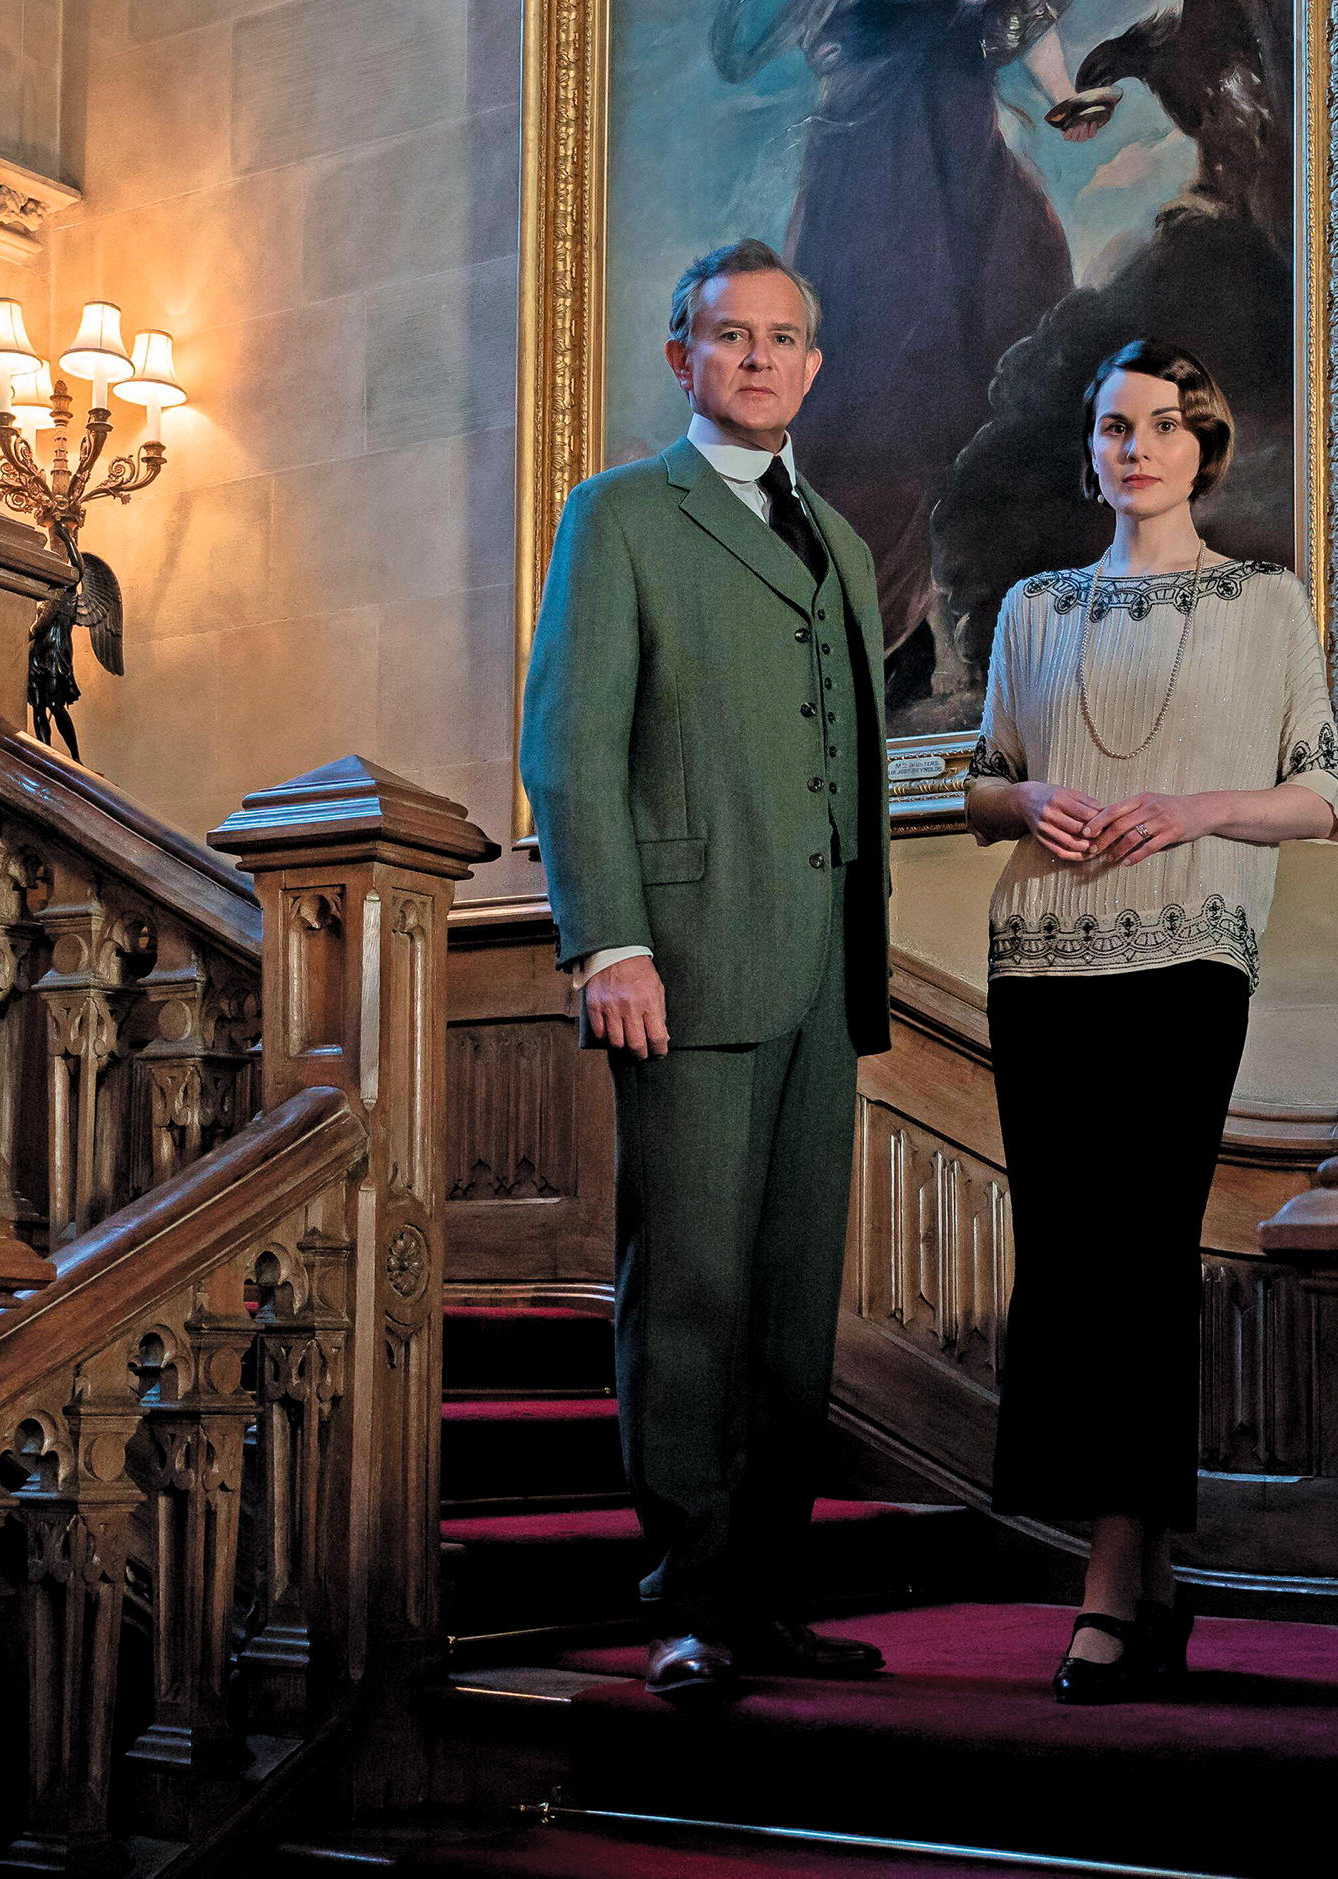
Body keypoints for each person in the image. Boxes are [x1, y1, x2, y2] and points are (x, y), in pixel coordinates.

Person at [521, 240, 896, 1700]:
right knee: (687, 1292)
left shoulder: (848, 546)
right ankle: (685, 1595)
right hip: (679, 958)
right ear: (681, 357)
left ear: (812, 364)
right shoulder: (619, 516)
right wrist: (608, 937)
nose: (758, 358)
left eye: (784, 338)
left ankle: (769, 1592)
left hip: (821, 978)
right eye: (728, 336)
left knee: (794, 1304)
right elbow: (572, 741)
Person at [959, 340, 1338, 1703]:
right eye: (1114, 426)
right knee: (1075, 1263)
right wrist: (1031, 801)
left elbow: (1317, 794)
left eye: (1164, 427)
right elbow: (986, 783)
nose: (1136, 448)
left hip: (1188, 953)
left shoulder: (1265, 600)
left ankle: (1108, 1586)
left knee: (1138, 1253)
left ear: (1204, 446)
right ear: (1093, 449)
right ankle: (1153, 1578)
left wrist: (1192, 808)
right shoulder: (1035, 606)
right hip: (1040, 960)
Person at [714, 0, 1112, 715]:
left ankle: (989, 602)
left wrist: (1064, 98)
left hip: (960, 148)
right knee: (890, 370)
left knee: (1018, 304)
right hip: (879, 159)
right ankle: (884, 625)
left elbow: (1024, 19)